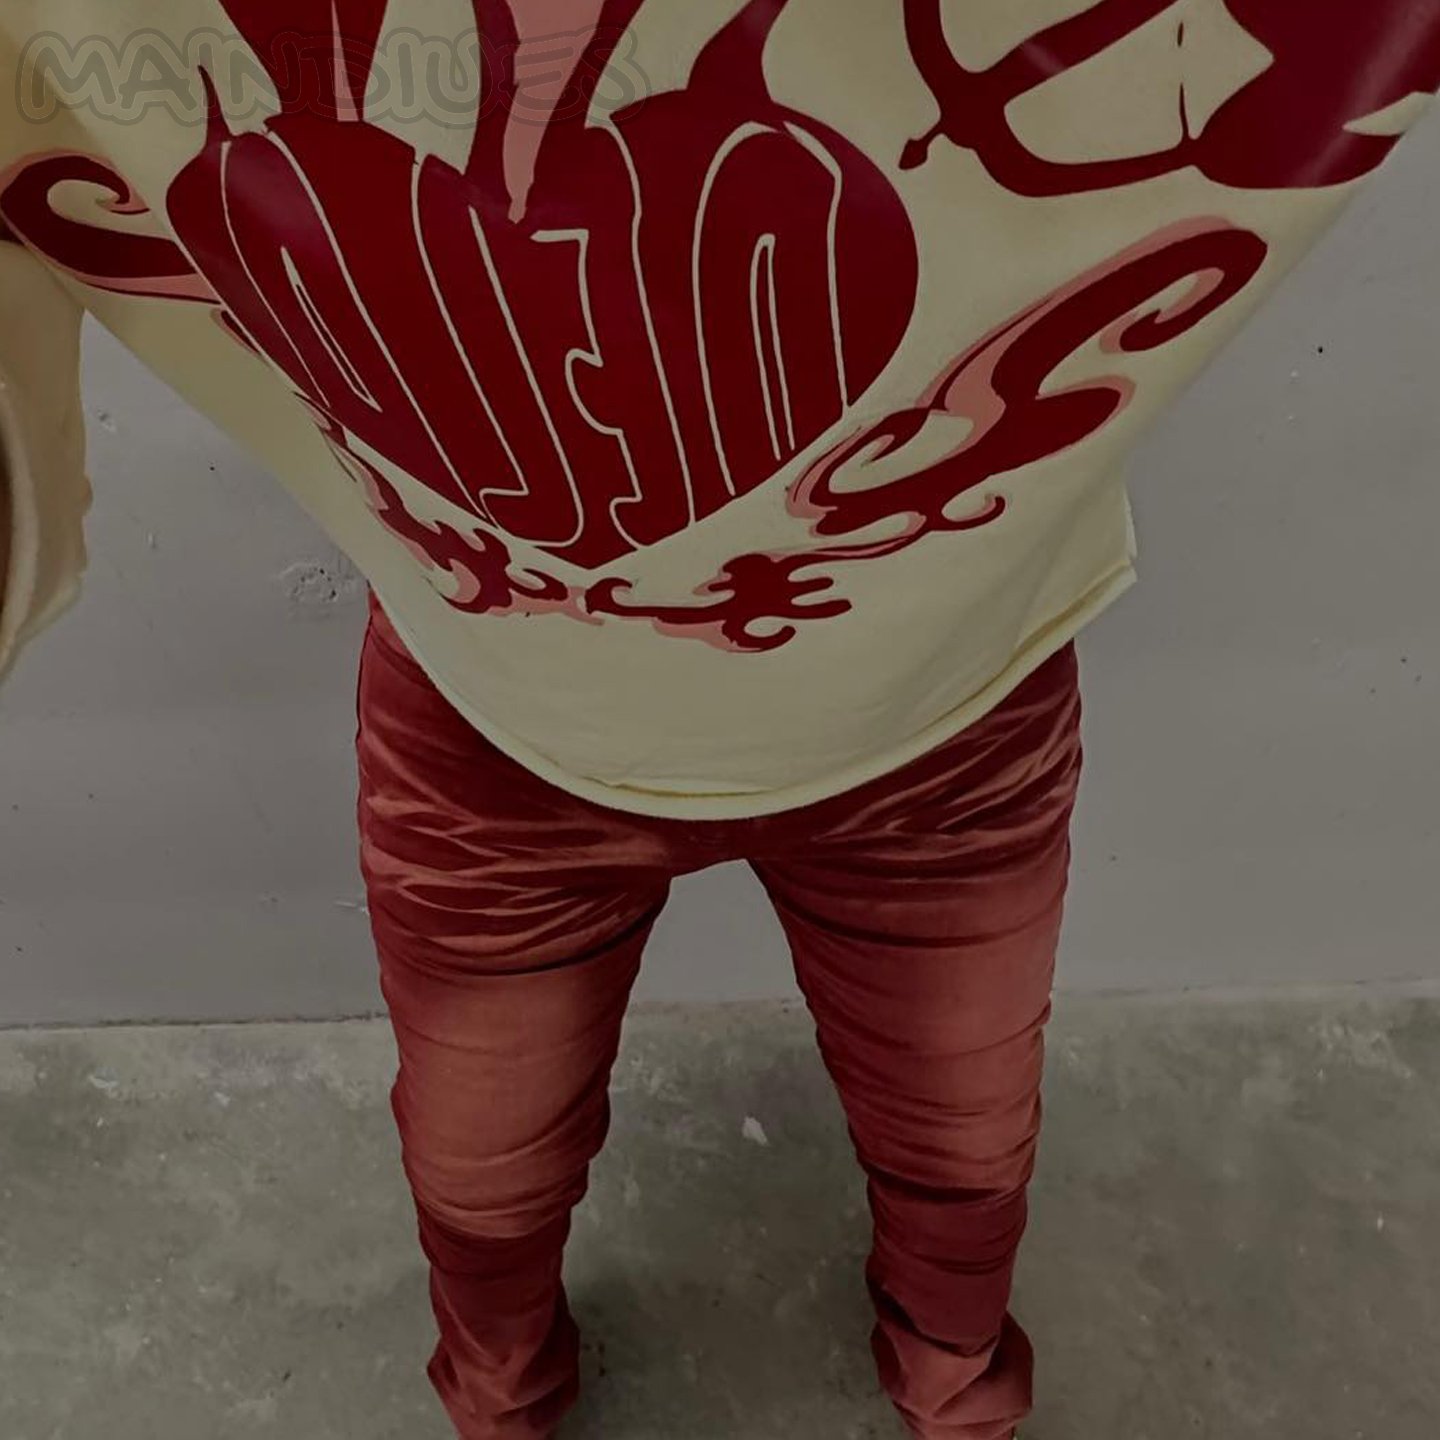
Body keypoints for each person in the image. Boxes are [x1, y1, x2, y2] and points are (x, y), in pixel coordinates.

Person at [2, 5, 1437, 1437]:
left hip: (948, 712)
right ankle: (508, 1394)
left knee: (966, 1155)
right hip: (498, 735)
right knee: (479, 1177)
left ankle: (950, 1383)